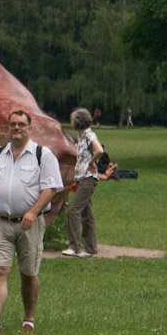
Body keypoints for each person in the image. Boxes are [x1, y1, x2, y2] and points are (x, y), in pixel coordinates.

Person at [0, 109, 63, 335]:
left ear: (29, 129)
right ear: (8, 127)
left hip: (30, 224)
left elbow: (50, 189)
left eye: (21, 124)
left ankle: (29, 318)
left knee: (28, 274)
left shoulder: (43, 155)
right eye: (12, 124)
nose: (16, 128)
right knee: (0, 270)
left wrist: (32, 213)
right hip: (0, 223)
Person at [62, 108, 117, 259]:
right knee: (87, 214)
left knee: (73, 211)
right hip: (82, 178)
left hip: (88, 178)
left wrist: (92, 163)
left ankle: (74, 247)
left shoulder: (89, 135)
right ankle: (91, 249)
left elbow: (99, 150)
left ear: (77, 122)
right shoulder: (81, 137)